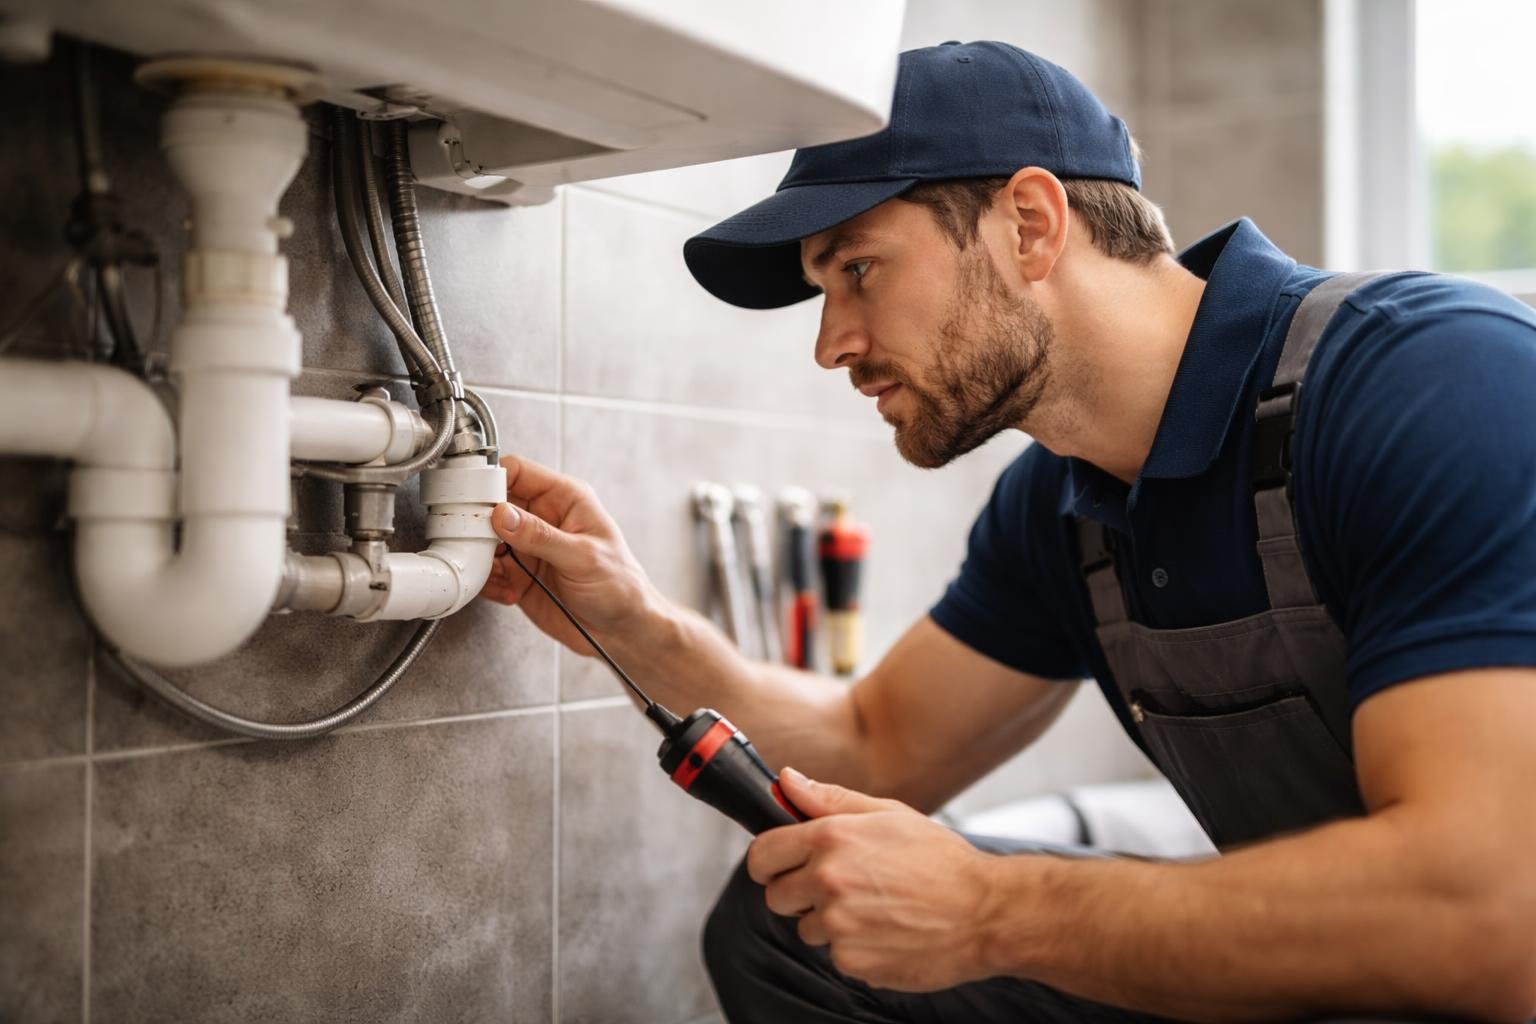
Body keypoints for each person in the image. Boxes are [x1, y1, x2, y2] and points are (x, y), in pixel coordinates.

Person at [479, 40, 1536, 1023]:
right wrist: (631, 619)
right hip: (1330, 980)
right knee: (793, 926)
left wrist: (991, 908)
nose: (832, 344)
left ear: (1030, 225)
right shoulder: (1058, 504)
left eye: (857, 270)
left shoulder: (1428, 385)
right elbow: (877, 748)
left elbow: (1491, 910)